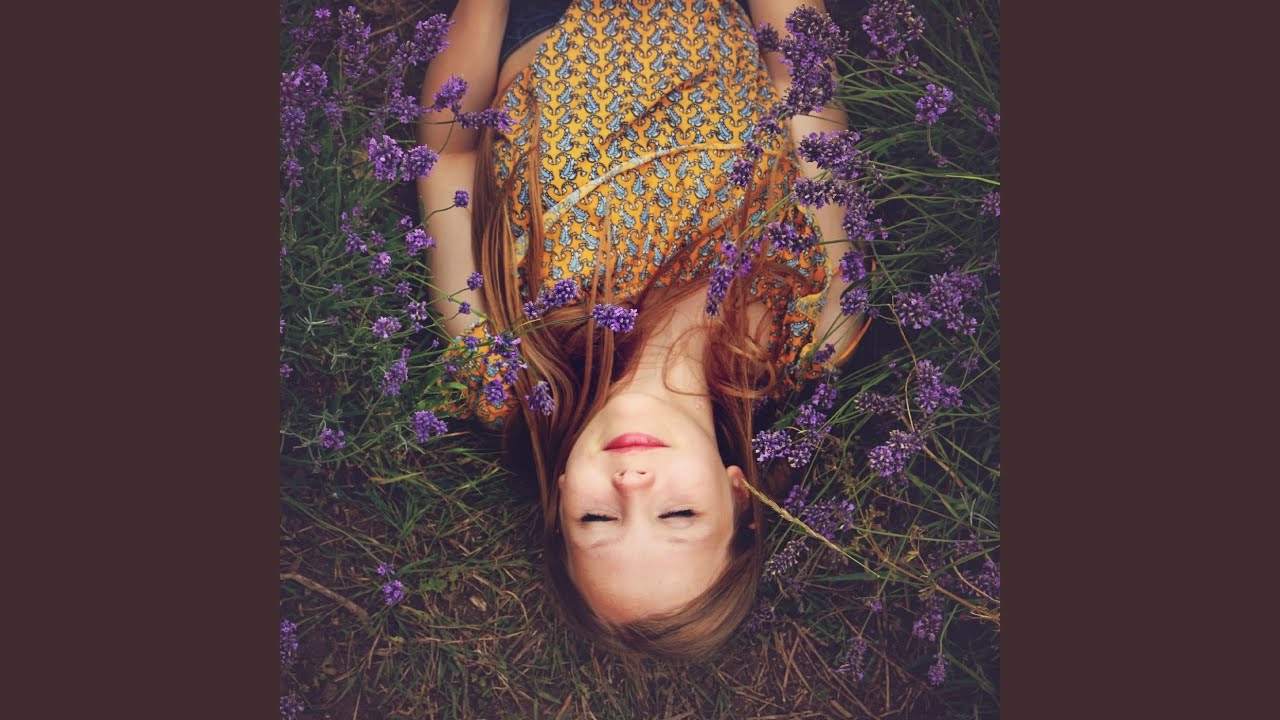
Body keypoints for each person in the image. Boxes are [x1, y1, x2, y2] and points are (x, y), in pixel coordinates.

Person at [416, 0, 868, 662]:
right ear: (738, 496)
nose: (632, 485)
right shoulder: (813, 328)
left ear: (560, 502)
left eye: (597, 519)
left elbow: (446, 158)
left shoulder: (503, 373)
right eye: (678, 515)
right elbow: (804, 90)